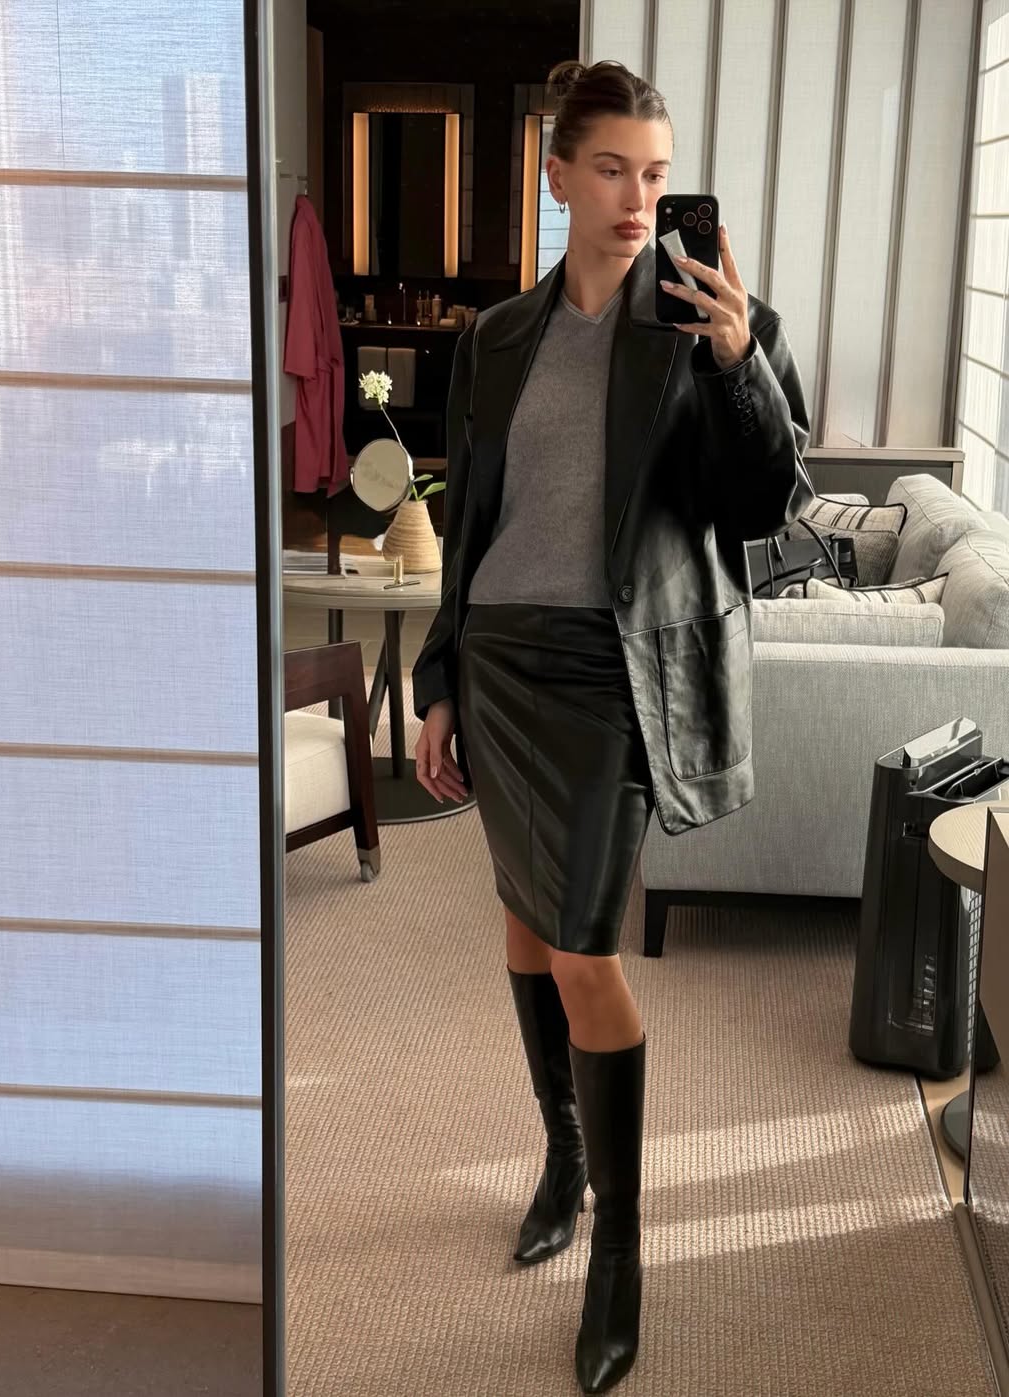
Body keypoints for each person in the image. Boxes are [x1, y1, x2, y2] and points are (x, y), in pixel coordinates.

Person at [411, 57, 815, 1396]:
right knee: (527, 923)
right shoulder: (496, 339)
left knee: (585, 944)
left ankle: (620, 1250)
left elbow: (764, 503)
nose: (638, 198)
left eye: (656, 173)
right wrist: (438, 678)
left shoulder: (712, 325)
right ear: (556, 173)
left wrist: (741, 363)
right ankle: (563, 1157)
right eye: (610, 169)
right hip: (504, 664)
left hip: (617, 672)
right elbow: (470, 524)